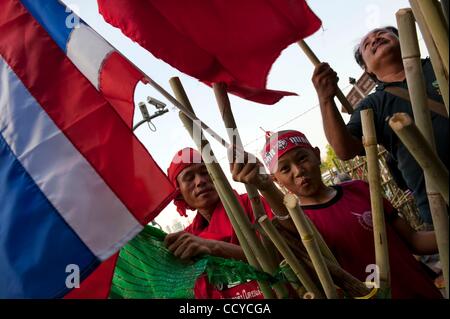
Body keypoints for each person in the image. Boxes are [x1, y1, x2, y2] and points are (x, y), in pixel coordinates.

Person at [232, 130, 442, 298]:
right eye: (285, 169)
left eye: (302, 158)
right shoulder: (295, 225)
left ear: (316, 154)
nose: (298, 170)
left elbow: (414, 240)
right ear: (276, 179)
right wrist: (265, 187)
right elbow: (292, 228)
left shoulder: (360, 189)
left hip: (421, 290)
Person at [311, 26, 448, 226]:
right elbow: (344, 149)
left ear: (404, 39)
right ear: (367, 69)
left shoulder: (441, 61)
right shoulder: (373, 105)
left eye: (382, 34)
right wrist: (325, 99)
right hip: (440, 208)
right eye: (367, 44)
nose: (375, 39)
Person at [164, 147, 275, 299]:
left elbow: (277, 257)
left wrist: (213, 247)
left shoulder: (252, 204)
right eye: (189, 178)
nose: (200, 181)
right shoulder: (187, 239)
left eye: (204, 172)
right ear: (180, 194)